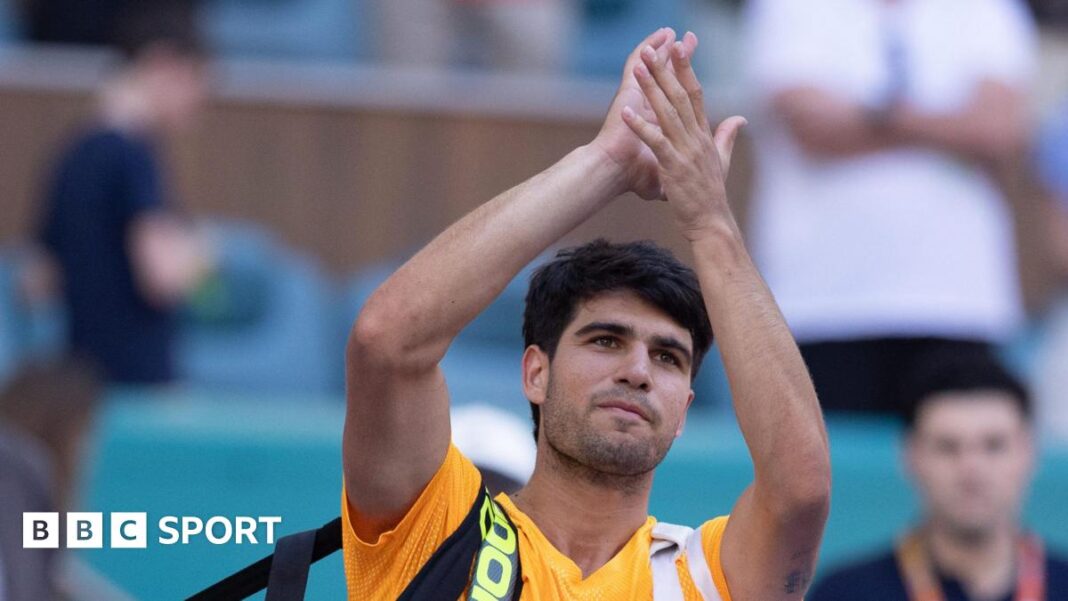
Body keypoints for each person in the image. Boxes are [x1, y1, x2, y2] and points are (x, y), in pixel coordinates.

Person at [342, 28, 830, 600]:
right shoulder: (437, 535)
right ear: (535, 372)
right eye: (605, 340)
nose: (638, 370)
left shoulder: (707, 578)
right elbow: (386, 342)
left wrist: (709, 222)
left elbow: (801, 489)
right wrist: (607, 161)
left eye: (669, 357)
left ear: (683, 411)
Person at [741, 0, 1037, 414]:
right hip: (822, 301)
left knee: (964, 466)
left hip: (959, 301)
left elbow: (999, 129)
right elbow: (812, 127)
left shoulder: (985, 8)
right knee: (829, 472)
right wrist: (950, 124)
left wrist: (871, 116)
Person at [34, 2, 212, 385]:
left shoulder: (74, 150)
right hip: (137, 381)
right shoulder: (134, 155)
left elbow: (39, 281)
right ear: (163, 63)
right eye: (196, 79)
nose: (199, 99)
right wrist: (201, 256)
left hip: (82, 384)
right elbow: (161, 278)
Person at [808, 349, 1068, 601]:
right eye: (947, 447)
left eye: (994, 445)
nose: (971, 468)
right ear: (910, 456)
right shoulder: (846, 593)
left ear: (1029, 453)